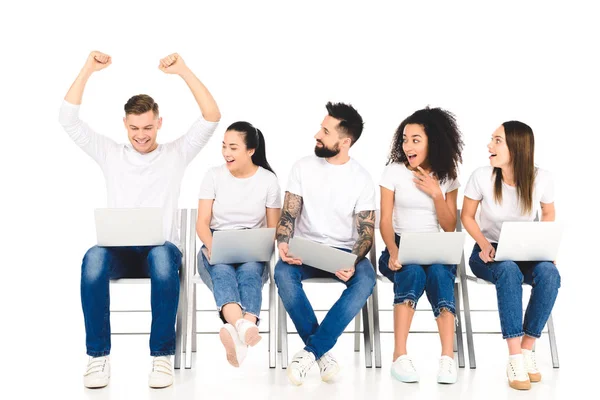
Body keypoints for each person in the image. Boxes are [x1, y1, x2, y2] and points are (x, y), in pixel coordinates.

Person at [59, 51, 221, 389]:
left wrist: (184, 71)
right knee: (92, 259)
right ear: (125, 125)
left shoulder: (177, 153)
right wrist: (88, 69)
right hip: (118, 252)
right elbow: (68, 119)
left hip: (159, 250)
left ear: (159, 122)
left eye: (148, 127)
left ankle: (161, 357)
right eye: (134, 128)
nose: (141, 135)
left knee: (164, 259)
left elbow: (211, 116)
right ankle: (97, 357)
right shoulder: (109, 153)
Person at [274, 102, 376, 386]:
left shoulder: (362, 179)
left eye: (325, 131)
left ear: (345, 142)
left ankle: (311, 351)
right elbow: (288, 215)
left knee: (366, 279)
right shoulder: (302, 167)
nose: (317, 134)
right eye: (321, 127)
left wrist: (352, 261)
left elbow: (366, 232)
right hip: (305, 250)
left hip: (342, 252)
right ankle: (321, 354)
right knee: (282, 273)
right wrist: (283, 241)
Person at [461, 121, 560, 390]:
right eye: (491, 139)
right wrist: (482, 243)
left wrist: (545, 245)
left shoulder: (542, 178)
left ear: (516, 148)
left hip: (526, 250)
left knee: (550, 274)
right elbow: (467, 217)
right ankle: (514, 356)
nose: (489, 145)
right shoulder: (481, 176)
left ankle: (528, 349)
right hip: (488, 252)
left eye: (497, 140)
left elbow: (548, 212)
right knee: (507, 270)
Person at [378, 107, 464, 384]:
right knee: (413, 273)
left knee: (439, 275)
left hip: (435, 248)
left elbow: (450, 226)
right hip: (400, 246)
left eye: (416, 139)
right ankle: (399, 356)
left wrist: (437, 194)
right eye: (404, 139)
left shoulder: (447, 176)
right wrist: (392, 250)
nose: (407, 146)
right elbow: (385, 221)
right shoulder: (393, 172)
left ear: (432, 142)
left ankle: (447, 358)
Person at [195, 121, 281, 367]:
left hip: (251, 246)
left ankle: (237, 332)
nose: (226, 153)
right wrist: (212, 246)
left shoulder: (268, 180)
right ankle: (246, 325)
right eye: (224, 146)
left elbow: (273, 229)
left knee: (251, 274)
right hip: (216, 240)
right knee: (221, 273)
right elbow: (201, 223)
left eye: (233, 147)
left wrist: (257, 245)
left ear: (251, 150)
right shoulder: (213, 175)